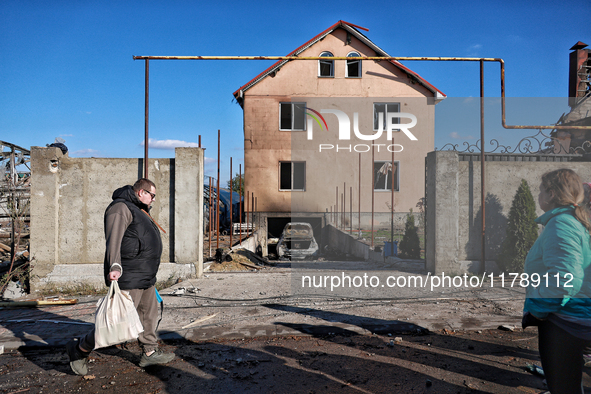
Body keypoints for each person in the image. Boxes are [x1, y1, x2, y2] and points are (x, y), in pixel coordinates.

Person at [66, 178, 174, 375]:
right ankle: (79, 349)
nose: (154, 199)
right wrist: (115, 265)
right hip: (129, 275)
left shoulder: (139, 210)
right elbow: (113, 239)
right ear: (141, 192)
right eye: (152, 195)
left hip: (146, 276)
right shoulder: (121, 208)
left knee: (148, 316)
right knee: (116, 323)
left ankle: (149, 352)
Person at [522, 169, 591, 393]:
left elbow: (564, 280)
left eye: (540, 190)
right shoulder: (574, 220)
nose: (538, 195)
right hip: (576, 318)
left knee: (564, 388)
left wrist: (537, 311)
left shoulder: (562, 223)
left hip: (565, 323)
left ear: (551, 193)